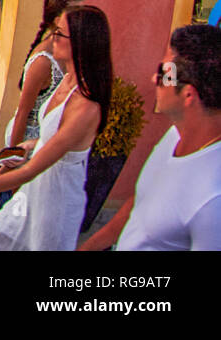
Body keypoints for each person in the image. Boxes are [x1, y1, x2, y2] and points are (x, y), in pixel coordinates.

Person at [0, 4, 113, 251]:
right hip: (36, 191)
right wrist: (21, 149)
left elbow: (33, 170)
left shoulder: (85, 107)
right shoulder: (67, 80)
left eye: (60, 34)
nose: (53, 38)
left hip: (55, 202)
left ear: (82, 43)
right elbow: (44, 140)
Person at [81, 24, 221, 251]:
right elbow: (139, 202)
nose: (153, 78)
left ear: (188, 94)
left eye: (164, 74)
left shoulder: (213, 201)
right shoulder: (176, 132)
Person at [0, 0, 80, 246]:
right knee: (3, 194)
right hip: (26, 136)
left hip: (41, 139)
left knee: (14, 199)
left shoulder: (68, 56)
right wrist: (11, 157)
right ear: (56, 23)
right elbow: (23, 113)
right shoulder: (43, 63)